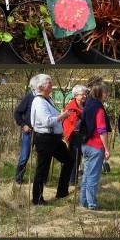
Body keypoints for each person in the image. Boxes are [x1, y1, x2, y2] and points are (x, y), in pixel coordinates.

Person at [29, 74, 74, 205]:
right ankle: (37, 199)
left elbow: (52, 117)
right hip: (45, 139)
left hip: (54, 139)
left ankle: (62, 192)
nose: (51, 84)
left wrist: (60, 116)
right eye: (49, 82)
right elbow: (47, 121)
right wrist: (62, 116)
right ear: (41, 86)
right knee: (42, 169)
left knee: (69, 160)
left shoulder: (48, 99)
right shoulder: (38, 101)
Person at [79, 82, 111, 210]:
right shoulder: (98, 108)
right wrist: (107, 149)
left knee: (86, 175)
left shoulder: (88, 105)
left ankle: (84, 201)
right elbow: (102, 130)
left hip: (85, 144)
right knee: (93, 177)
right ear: (99, 93)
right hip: (95, 146)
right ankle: (92, 204)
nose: (107, 94)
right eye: (105, 92)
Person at [62, 85, 88, 186]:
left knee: (78, 158)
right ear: (76, 95)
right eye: (82, 94)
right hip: (74, 135)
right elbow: (70, 123)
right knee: (74, 157)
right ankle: (71, 180)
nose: (84, 96)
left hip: (83, 135)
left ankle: (74, 179)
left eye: (85, 94)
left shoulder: (84, 106)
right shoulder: (71, 107)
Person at [13, 79, 36, 184]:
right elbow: (17, 113)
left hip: (41, 132)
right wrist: (23, 125)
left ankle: (40, 180)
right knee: (24, 156)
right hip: (29, 132)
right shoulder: (29, 97)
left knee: (42, 156)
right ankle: (18, 179)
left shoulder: (46, 98)